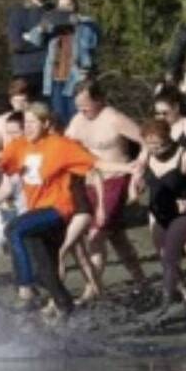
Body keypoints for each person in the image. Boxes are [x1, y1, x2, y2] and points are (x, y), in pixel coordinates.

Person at [0, 103, 95, 318]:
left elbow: (95, 163)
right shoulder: (19, 146)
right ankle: (65, 306)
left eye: (32, 123)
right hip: (35, 214)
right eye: (24, 124)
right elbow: (1, 171)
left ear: (46, 123)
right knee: (45, 266)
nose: (25, 129)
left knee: (13, 229)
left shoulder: (60, 145)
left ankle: (25, 288)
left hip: (58, 209)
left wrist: (129, 167)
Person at [65, 82, 148, 296]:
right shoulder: (77, 121)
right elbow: (64, 147)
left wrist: (138, 170)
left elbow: (147, 141)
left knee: (97, 234)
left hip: (116, 178)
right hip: (91, 181)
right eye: (78, 106)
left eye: (86, 105)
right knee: (116, 235)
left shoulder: (114, 118)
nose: (82, 110)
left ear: (99, 100)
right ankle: (141, 280)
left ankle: (91, 290)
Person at [132, 118, 186, 319]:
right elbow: (137, 175)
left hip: (181, 212)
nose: (155, 150)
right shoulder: (147, 153)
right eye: (150, 145)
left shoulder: (185, 156)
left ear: (168, 139)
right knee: (164, 257)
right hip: (157, 212)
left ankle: (166, 302)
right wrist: (135, 187)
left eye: (159, 145)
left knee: (174, 255)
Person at [26, 0, 98, 124]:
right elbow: (34, 39)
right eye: (62, 6)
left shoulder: (86, 24)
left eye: (68, 5)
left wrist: (78, 24)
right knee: (58, 118)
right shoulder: (52, 25)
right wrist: (41, 28)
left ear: (75, 6)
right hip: (56, 79)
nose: (65, 9)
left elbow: (92, 42)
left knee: (77, 118)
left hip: (77, 79)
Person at [6, 0, 52, 97]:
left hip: (49, 71)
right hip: (25, 71)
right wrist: (43, 42)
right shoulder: (17, 12)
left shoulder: (53, 11)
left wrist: (30, 37)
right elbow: (16, 44)